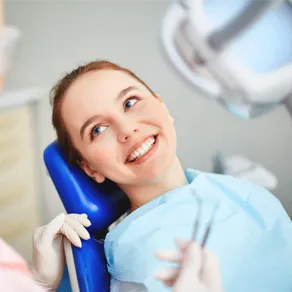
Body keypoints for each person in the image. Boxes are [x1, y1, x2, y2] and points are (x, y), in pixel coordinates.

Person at [32, 60, 292, 292]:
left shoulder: (231, 188)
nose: (127, 129)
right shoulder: (142, 253)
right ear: (90, 168)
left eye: (130, 103)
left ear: (162, 106)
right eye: (98, 129)